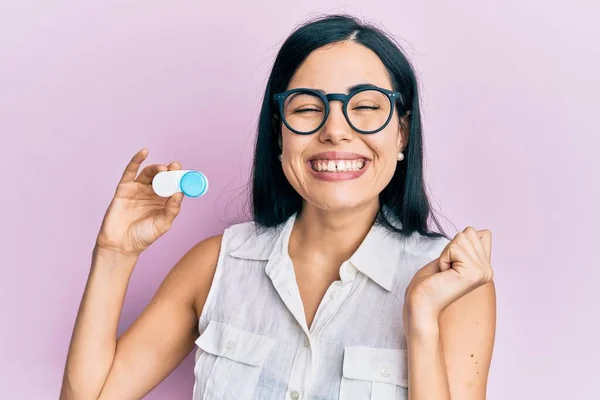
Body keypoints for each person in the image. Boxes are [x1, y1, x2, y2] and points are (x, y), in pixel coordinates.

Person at [60, 14, 496, 400]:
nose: (335, 131)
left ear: (401, 133)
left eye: (365, 106)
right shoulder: (215, 265)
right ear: (279, 133)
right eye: (307, 108)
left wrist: (421, 320)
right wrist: (115, 255)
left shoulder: (451, 285)